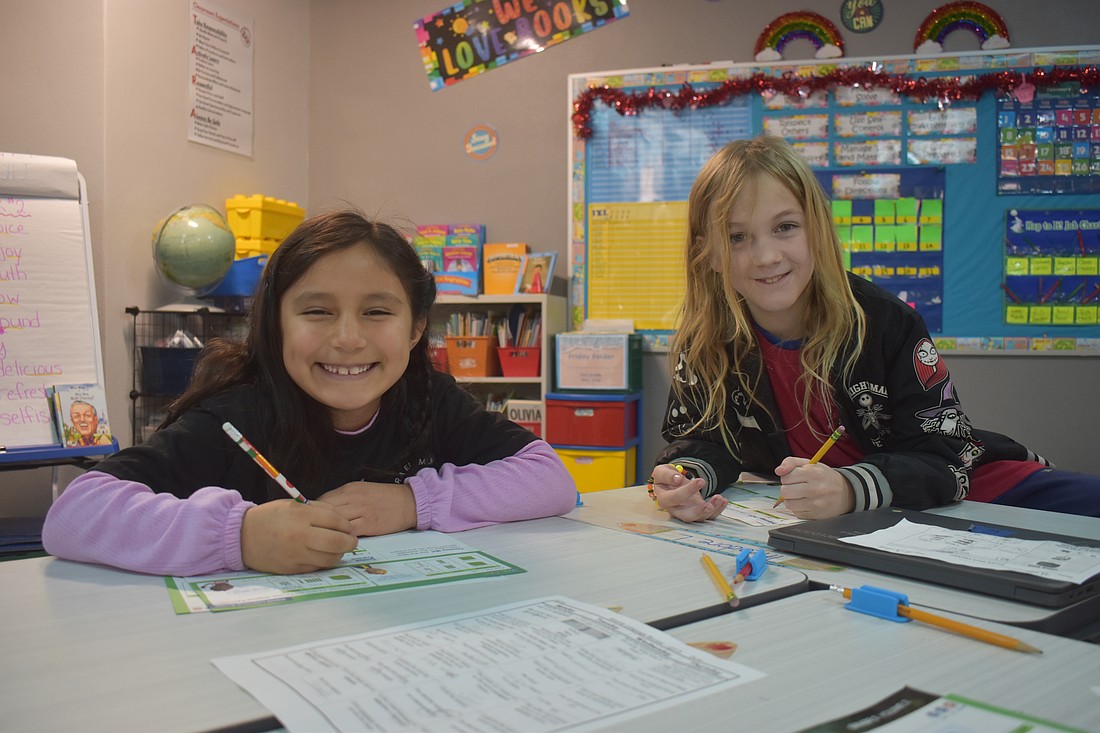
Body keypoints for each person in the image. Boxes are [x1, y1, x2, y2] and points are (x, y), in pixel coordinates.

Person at [44, 211, 578, 575]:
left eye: (377, 311)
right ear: (274, 324)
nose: (347, 338)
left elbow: (549, 479)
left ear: (416, 329)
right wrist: (239, 536)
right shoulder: (236, 416)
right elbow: (75, 514)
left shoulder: (428, 398)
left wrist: (415, 502)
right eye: (317, 311)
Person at [650, 135, 1100, 523]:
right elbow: (703, 441)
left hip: (961, 486)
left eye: (785, 227)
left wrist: (848, 490)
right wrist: (687, 479)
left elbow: (942, 457)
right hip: (836, 521)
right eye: (736, 237)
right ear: (706, 252)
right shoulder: (706, 342)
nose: (766, 256)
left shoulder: (887, 323)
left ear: (819, 229)